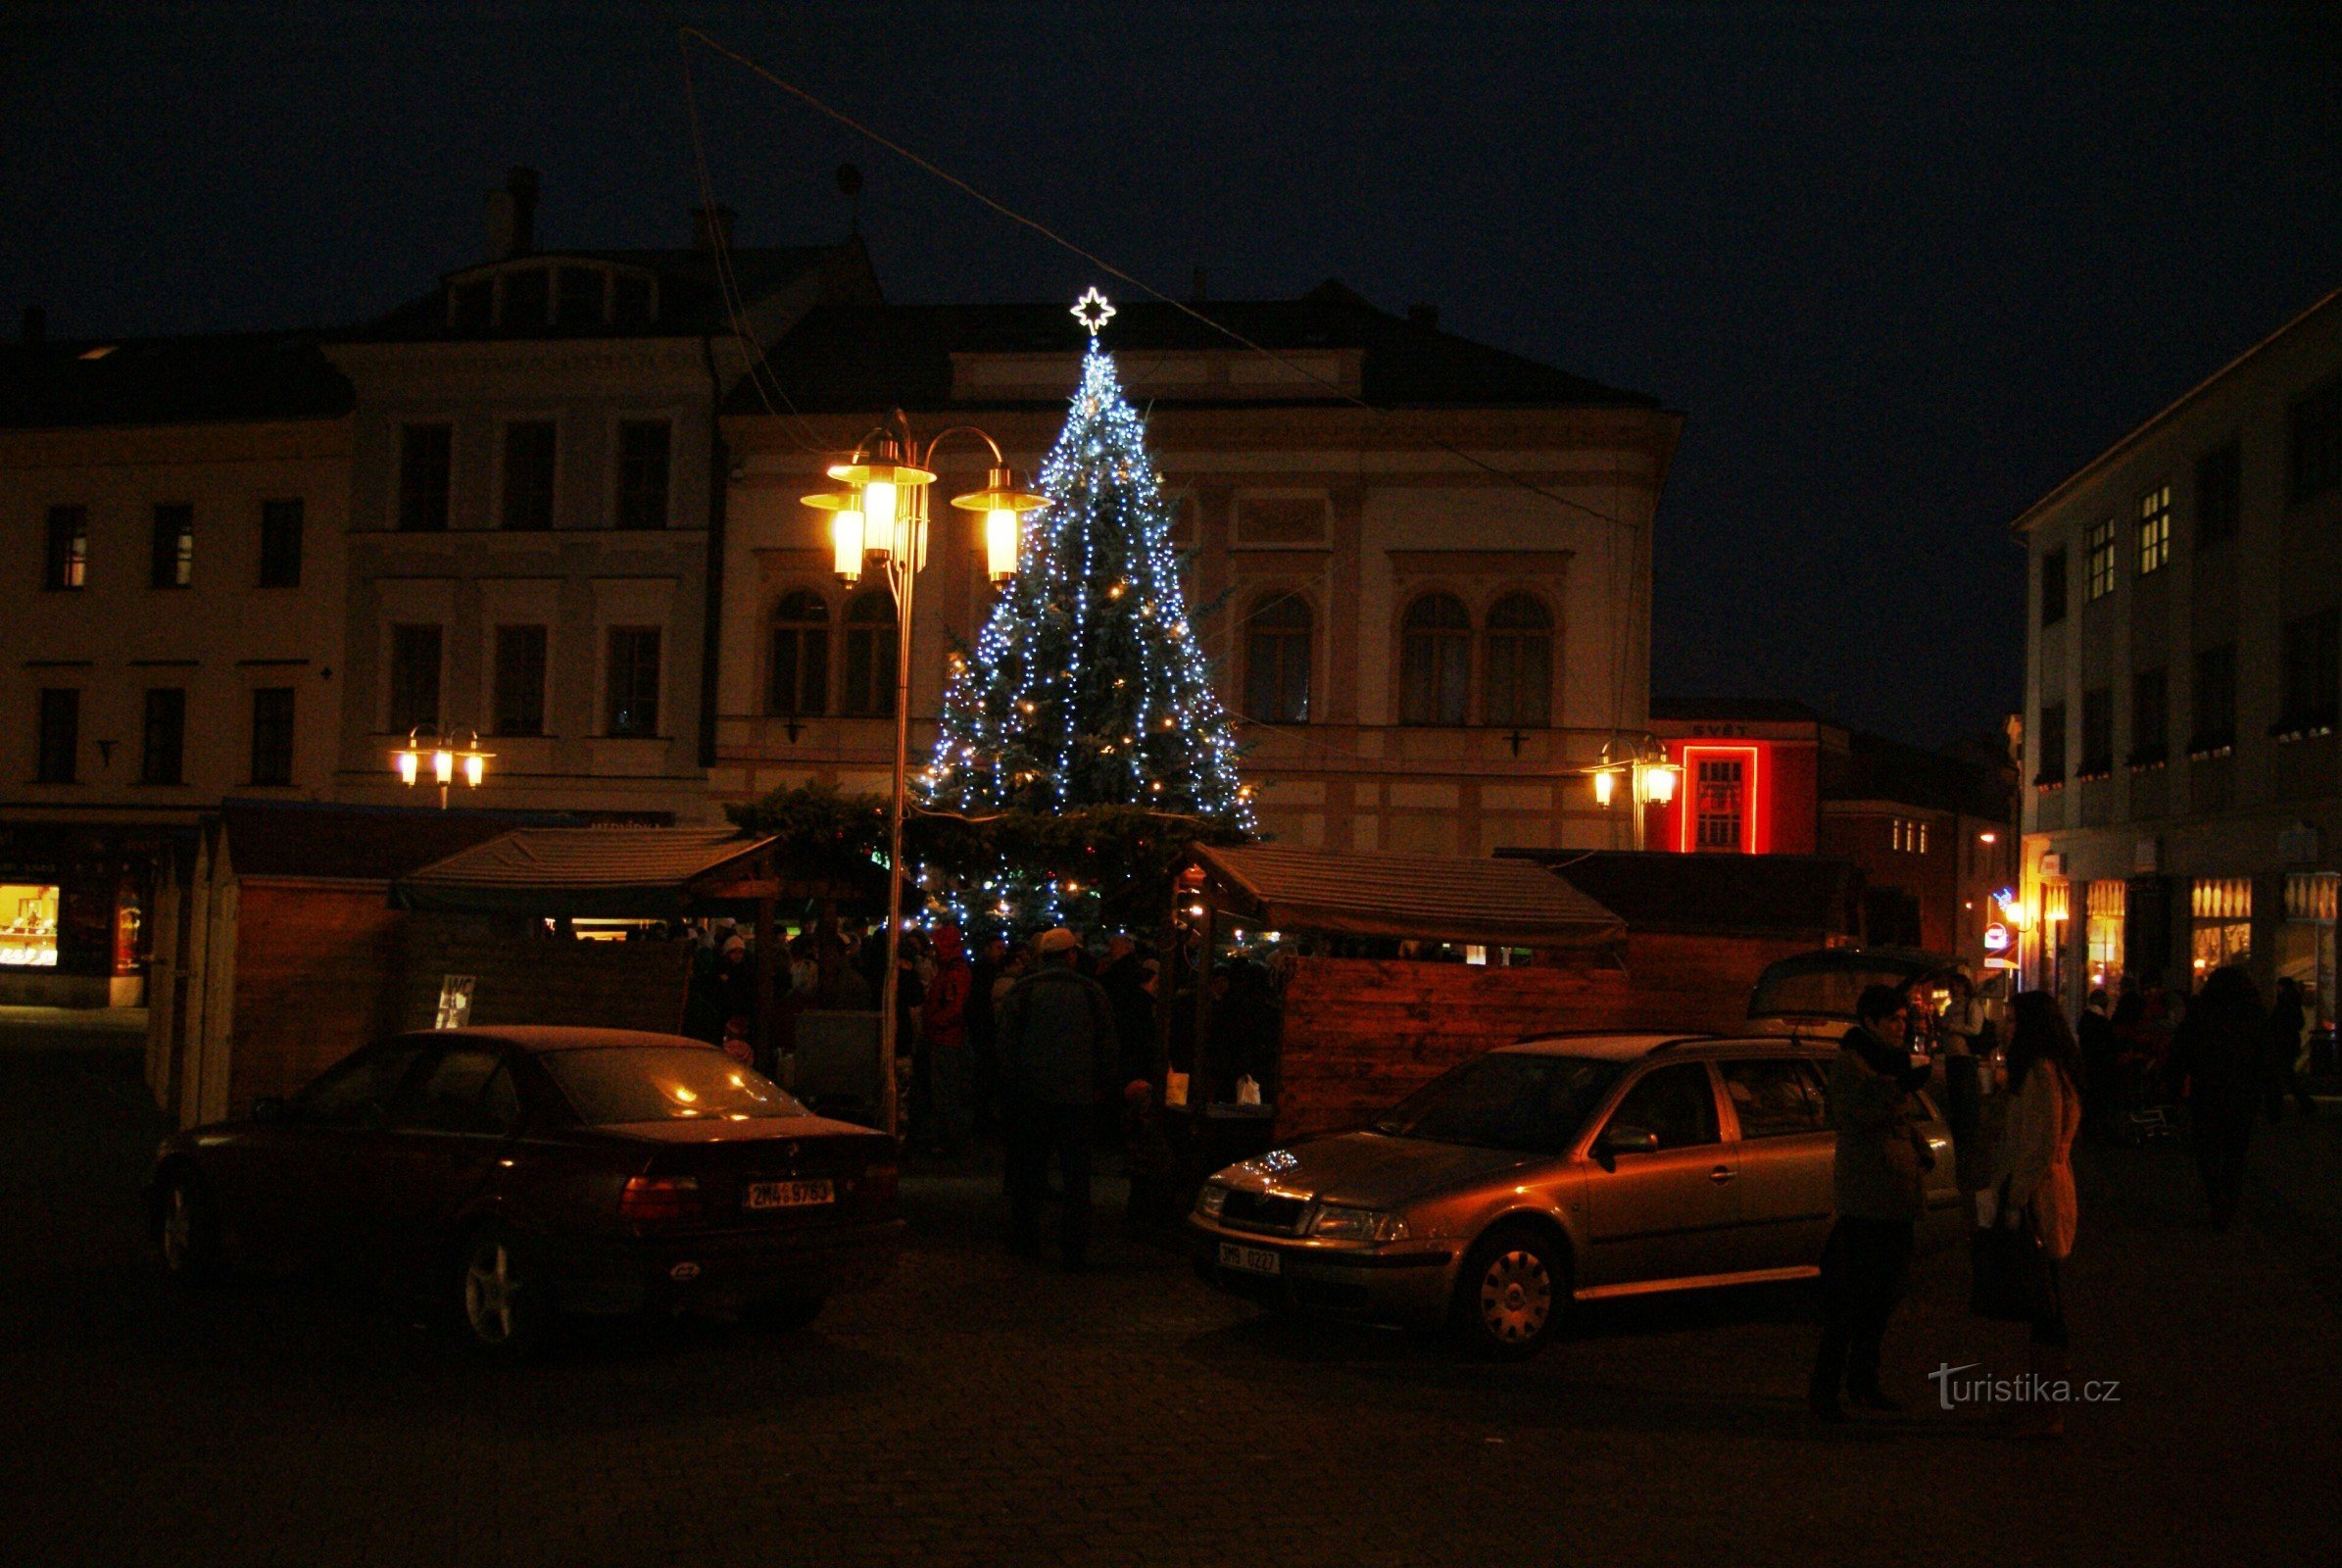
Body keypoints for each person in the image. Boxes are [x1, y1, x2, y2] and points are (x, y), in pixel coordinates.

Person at [1809, 984, 1936, 1420]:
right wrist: (1897, 1087)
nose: (1901, 1028)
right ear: (1870, 1022)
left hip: (1893, 1191)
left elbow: (1896, 1118)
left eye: (1904, 1020)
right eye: (1892, 1021)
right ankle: (1827, 1391)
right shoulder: (1853, 1062)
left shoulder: (1888, 1059)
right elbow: (1853, 1116)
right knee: (1850, 1298)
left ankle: (1864, 1381)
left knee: (1884, 1296)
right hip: (1868, 1196)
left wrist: (1918, 1146)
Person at [996, 927, 1119, 1267]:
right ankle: (1074, 1244)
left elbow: (1005, 1048)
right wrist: (1100, 1087)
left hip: (1031, 1097)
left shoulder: (1024, 990)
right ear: (1071, 955)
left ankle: (1025, 1240)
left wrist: (1012, 1089)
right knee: (1076, 1177)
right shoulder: (1091, 992)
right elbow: (1107, 1046)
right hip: (1078, 1099)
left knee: (1029, 1172)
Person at [1994, 991, 2086, 1438]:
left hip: (2040, 1196)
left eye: (2012, 1020)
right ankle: (2042, 1401)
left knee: (2045, 1303)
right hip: (2047, 1188)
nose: (2007, 1027)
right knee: (2043, 1301)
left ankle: (2048, 1408)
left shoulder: (2041, 1074)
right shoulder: (2055, 1071)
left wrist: (2014, 1196)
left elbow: (2040, 1143)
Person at [2167, 965, 2267, 1230]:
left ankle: (2216, 1197)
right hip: (2242, 1093)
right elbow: (2265, 1056)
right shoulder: (2253, 1014)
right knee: (2235, 1152)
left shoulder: (2202, 1013)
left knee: (2207, 1148)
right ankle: (2229, 1199)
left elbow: (2181, 1051)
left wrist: (2174, 1085)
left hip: (2208, 1090)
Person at [921, 924, 975, 1155]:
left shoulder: (955, 971)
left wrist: (933, 1021)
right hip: (944, 1037)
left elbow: (955, 1007)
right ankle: (949, 1138)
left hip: (947, 1039)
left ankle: (950, 1141)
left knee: (946, 1091)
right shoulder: (951, 969)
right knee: (946, 1091)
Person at [2266, 977, 2318, 1121]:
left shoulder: (2284, 1003)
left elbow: (2276, 1022)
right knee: (2287, 1074)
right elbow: (2299, 1023)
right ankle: (2303, 1103)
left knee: (2281, 1075)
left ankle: (2277, 1106)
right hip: (2290, 1043)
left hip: (2282, 1043)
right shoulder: (2294, 1002)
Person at [2075, 988, 2119, 1141]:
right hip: (2101, 1064)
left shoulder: (2085, 1019)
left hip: (2089, 1062)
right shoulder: (2101, 1022)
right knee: (2099, 1097)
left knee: (2091, 1096)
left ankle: (2089, 1128)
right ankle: (2097, 1129)